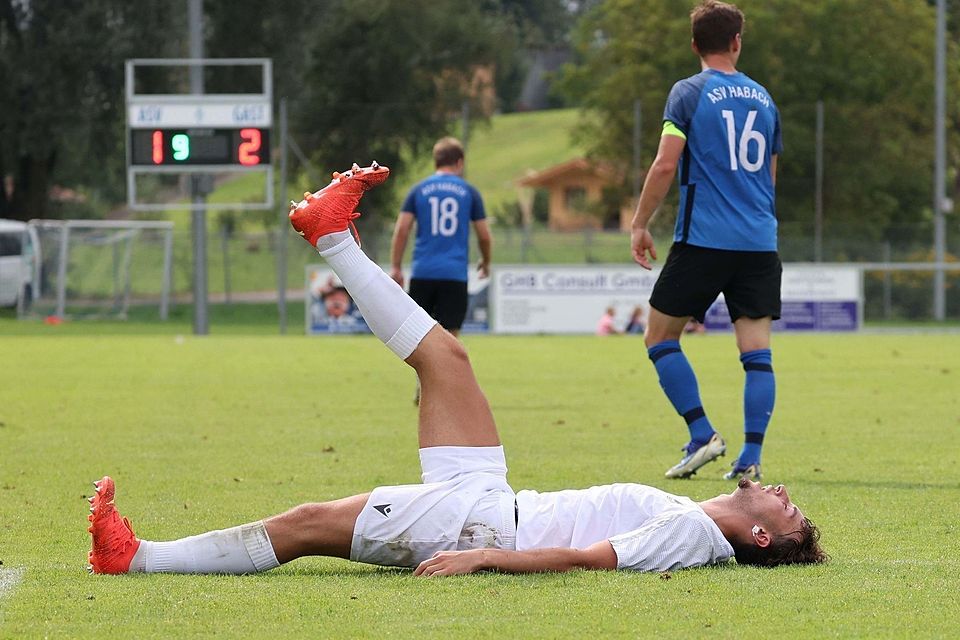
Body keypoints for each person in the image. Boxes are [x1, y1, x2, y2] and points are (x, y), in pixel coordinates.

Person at [87, 161, 825, 577]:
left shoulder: (695, 539)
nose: (783, 491)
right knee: (447, 356)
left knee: (307, 525)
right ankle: (331, 231)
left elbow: (591, 558)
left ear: (760, 538)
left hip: (481, 526)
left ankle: (140, 558)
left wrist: (483, 565)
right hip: (491, 496)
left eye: (785, 510)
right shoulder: (696, 522)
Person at [630, 1, 782, 481]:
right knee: (757, 352)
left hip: (704, 240)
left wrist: (639, 222)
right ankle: (750, 459)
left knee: (659, 337)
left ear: (695, 44)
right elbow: (770, 177)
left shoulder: (688, 93)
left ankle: (702, 434)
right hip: (760, 242)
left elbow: (665, 164)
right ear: (737, 42)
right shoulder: (765, 99)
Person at [390, 137, 492, 337]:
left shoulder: (418, 190)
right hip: (454, 274)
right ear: (460, 162)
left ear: (436, 161)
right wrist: (486, 262)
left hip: (423, 273)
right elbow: (484, 236)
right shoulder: (470, 192)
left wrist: (396, 266)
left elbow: (402, 229)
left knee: (418, 338)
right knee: (451, 337)